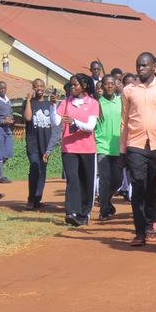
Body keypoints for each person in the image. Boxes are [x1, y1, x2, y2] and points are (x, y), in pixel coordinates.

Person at [122, 52, 156, 245]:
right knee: (137, 186)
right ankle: (140, 231)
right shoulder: (128, 90)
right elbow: (124, 120)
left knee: (154, 186)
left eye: (144, 65)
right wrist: (122, 149)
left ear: (154, 67)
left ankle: (152, 221)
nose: (140, 69)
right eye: (138, 66)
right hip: (135, 145)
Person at [55, 74, 99, 226]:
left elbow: (90, 126)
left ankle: (83, 213)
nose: (72, 87)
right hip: (68, 148)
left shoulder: (93, 103)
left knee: (86, 181)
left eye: (75, 85)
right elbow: (55, 121)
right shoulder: (65, 103)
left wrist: (74, 121)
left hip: (87, 149)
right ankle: (71, 212)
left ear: (84, 86)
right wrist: (54, 108)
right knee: (72, 180)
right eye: (71, 85)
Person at [23, 79, 59, 210]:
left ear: (44, 88)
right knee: (34, 167)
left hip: (46, 143)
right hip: (33, 143)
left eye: (41, 86)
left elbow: (56, 122)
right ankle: (31, 199)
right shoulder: (29, 103)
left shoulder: (49, 104)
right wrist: (27, 100)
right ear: (33, 88)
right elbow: (27, 118)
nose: (39, 88)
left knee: (42, 171)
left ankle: (37, 199)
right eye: (36, 86)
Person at [94, 75, 123, 221]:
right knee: (105, 179)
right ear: (102, 86)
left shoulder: (121, 101)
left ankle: (105, 199)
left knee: (118, 180)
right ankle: (104, 210)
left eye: (113, 83)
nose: (110, 86)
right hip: (102, 146)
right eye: (107, 84)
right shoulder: (97, 104)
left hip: (118, 147)